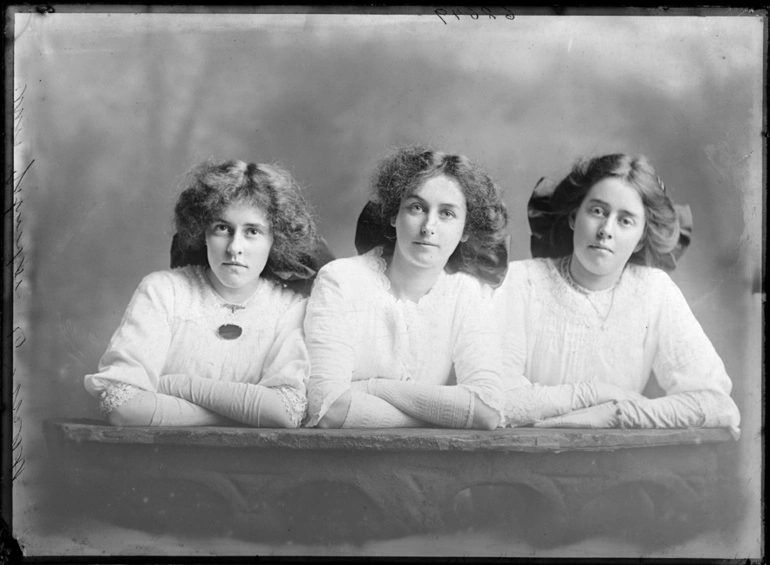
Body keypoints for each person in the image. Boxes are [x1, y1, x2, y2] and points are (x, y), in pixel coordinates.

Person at [493, 153, 740, 434]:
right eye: (597, 211)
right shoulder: (521, 281)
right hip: (521, 459)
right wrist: (598, 394)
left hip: (619, 466)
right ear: (574, 217)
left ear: (640, 239)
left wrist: (619, 412)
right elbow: (495, 399)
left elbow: (716, 404)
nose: (605, 231)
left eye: (625, 221)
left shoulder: (654, 291)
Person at [84, 159, 324, 428]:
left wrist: (176, 385)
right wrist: (244, 412)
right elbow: (122, 406)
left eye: (253, 232)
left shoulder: (290, 308)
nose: (235, 247)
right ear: (203, 233)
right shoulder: (164, 292)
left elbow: (285, 412)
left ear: (275, 239)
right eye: (222, 228)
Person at [304, 146, 509, 429]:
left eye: (447, 214)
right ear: (393, 214)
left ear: (466, 231)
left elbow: (487, 412)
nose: (428, 226)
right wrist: (445, 415)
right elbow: (327, 408)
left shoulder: (468, 295)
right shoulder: (341, 280)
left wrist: (373, 388)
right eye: (416, 207)